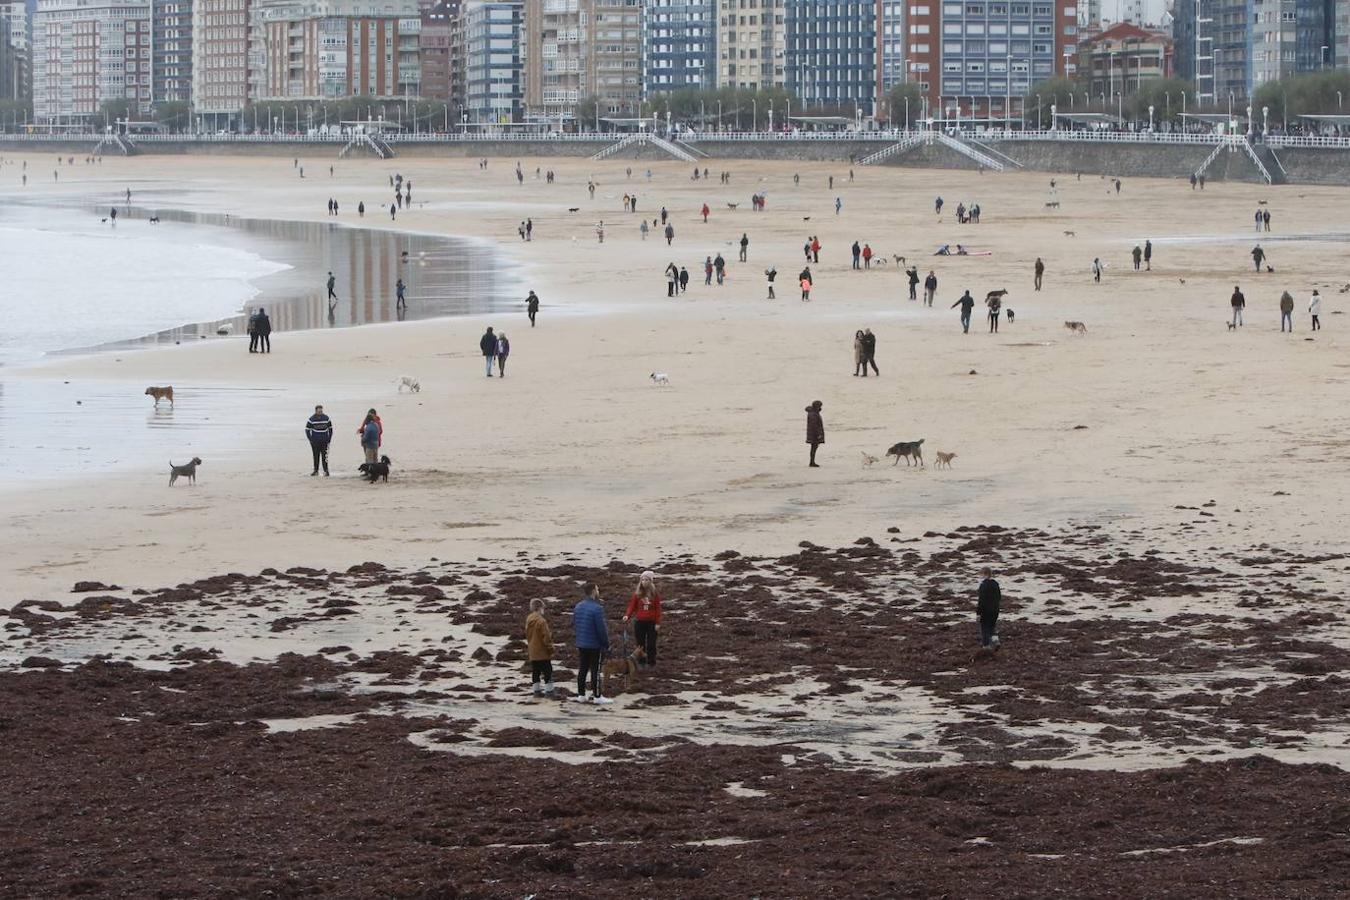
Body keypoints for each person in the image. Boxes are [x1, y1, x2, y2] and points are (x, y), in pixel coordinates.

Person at [572, 583, 611, 704]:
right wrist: (606, 644)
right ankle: (597, 696)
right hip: (595, 645)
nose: (598, 591)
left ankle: (581, 695)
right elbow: (601, 629)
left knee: (582, 669)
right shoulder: (597, 608)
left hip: (581, 643)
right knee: (596, 670)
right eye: (598, 589)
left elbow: (574, 624)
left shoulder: (578, 606)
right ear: (594, 591)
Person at [623, 571, 663, 669]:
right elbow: (631, 606)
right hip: (640, 621)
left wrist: (658, 623)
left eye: (646, 580)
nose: (644, 582)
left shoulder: (655, 594)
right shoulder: (637, 594)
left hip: (651, 622)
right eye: (643, 580)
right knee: (640, 644)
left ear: (650, 581)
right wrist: (627, 615)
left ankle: (651, 662)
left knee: (651, 644)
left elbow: (658, 609)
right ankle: (641, 662)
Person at [525, 598, 555, 696]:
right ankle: (549, 691)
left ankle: (536, 691)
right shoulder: (542, 621)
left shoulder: (529, 619)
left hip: (532, 650)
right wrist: (551, 648)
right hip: (542, 651)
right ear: (540, 608)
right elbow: (546, 636)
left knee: (535, 671)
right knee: (548, 671)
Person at [977, 568, 1001, 649]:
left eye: (981, 574)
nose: (980, 576)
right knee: (992, 626)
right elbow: (999, 597)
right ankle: (996, 641)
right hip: (995, 610)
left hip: (986, 610)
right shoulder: (995, 584)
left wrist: (978, 613)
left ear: (985, 574)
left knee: (984, 628)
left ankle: (986, 646)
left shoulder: (983, 585)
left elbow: (981, 600)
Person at [305, 404, 332, 476]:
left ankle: (326, 471)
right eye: (319, 411)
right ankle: (316, 471)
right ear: (316, 411)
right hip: (315, 442)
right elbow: (307, 430)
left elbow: (330, 429)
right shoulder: (311, 419)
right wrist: (311, 439)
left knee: (325, 457)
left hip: (325, 441)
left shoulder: (326, 418)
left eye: (321, 411)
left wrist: (329, 439)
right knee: (316, 456)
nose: (320, 412)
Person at [805, 400, 824, 467]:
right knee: (814, 447)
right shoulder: (813, 414)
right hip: (814, 434)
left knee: (814, 447)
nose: (821, 407)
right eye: (820, 406)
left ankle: (812, 461)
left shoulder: (813, 413)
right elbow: (814, 425)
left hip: (813, 433)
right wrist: (818, 434)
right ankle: (812, 462)